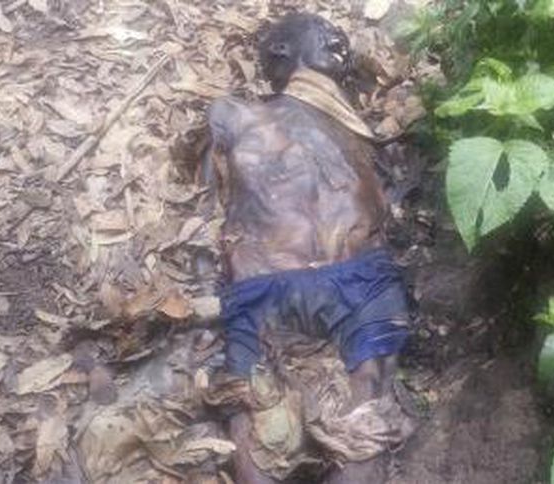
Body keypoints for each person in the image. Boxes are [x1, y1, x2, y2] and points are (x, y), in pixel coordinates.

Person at [200, 13, 416, 484]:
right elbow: (209, 197)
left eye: (341, 37)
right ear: (280, 49)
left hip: (362, 277)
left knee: (366, 423)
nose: (340, 41)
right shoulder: (234, 113)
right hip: (264, 280)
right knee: (254, 430)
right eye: (325, 34)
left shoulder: (361, 129)